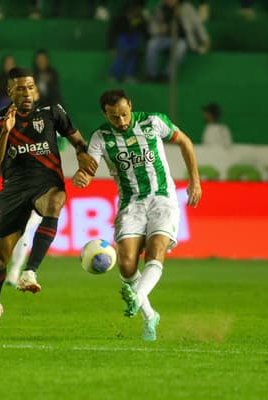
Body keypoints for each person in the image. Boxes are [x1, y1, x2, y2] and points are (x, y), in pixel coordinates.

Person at [71, 89, 202, 341]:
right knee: (127, 264)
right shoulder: (101, 137)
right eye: (114, 117)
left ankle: (137, 297)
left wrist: (195, 181)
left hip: (162, 198)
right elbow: (90, 168)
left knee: (156, 250)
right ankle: (150, 315)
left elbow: (185, 141)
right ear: (105, 114)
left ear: (130, 105)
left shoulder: (153, 122)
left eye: (123, 114)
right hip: (130, 204)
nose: (120, 121)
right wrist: (82, 177)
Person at [0, 67, 97, 337]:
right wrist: (6, 133)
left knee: (57, 201)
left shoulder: (51, 112)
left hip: (46, 184)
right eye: (20, 88)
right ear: (9, 91)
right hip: (14, 191)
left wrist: (82, 159)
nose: (27, 93)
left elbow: (79, 141)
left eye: (31, 87)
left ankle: (30, 271)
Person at [145, 0, 210, 82]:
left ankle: (167, 75)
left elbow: (197, 24)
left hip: (180, 39)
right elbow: (153, 24)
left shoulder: (187, 7)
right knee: (151, 44)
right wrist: (159, 30)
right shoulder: (160, 7)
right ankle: (152, 75)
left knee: (181, 47)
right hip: (164, 38)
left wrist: (205, 39)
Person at [107, 1, 148, 83]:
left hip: (134, 39)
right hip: (123, 38)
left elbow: (145, 31)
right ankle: (113, 75)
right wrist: (111, 47)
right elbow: (112, 32)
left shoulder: (140, 18)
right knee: (122, 54)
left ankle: (129, 76)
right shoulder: (119, 17)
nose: (137, 11)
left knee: (133, 55)